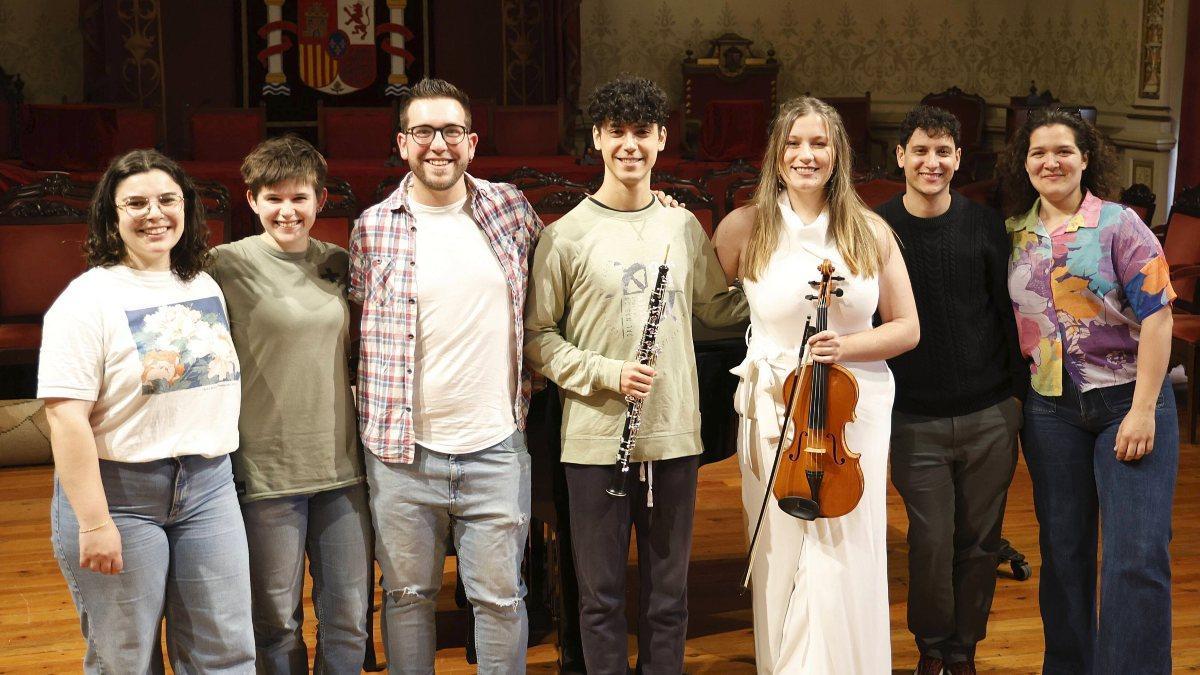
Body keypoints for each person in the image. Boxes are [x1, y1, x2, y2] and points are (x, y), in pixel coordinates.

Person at [524, 76, 748, 675]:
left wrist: (784, 290)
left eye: (642, 132)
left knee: (669, 601)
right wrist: (607, 373)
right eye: (617, 132)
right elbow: (536, 340)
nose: (630, 145)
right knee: (599, 602)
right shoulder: (563, 236)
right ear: (597, 138)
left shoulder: (681, 227)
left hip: (673, 435)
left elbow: (717, 309)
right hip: (595, 440)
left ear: (662, 139)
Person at [711, 96, 919, 674]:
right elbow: (699, 309)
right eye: (794, 143)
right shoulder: (743, 227)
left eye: (819, 143)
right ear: (776, 155)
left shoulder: (870, 230)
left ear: (838, 154)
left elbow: (907, 328)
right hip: (773, 400)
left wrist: (845, 346)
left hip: (856, 406)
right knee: (782, 545)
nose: (806, 155)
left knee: (846, 542)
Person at [349, 77, 542, 673]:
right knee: (407, 598)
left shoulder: (511, 209)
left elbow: (562, 266)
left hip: (496, 445)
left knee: (501, 600)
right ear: (403, 143)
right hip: (402, 454)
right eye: (425, 132)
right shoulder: (372, 227)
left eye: (452, 131)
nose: (440, 144)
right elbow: (358, 323)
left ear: (472, 142)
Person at [38, 149, 254, 672]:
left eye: (167, 200)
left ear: (187, 207)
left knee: (225, 651)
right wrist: (94, 523)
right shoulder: (85, 300)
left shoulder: (202, 284)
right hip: (120, 495)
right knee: (127, 657)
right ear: (112, 217)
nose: (154, 213)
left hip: (209, 487)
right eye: (135, 203)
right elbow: (64, 417)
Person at [1000, 108, 1178, 675]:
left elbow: (1158, 318)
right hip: (1051, 412)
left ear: (1085, 158)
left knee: (1136, 558)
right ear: (1024, 164)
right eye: (1038, 153)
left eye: (1063, 151)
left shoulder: (1121, 224)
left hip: (1129, 402)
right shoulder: (1013, 233)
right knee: (1065, 557)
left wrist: (1145, 409)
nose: (1051, 161)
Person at [209, 136, 372, 672]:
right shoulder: (222, 265)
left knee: (349, 618)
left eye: (299, 198)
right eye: (273, 198)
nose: (287, 210)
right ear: (252, 199)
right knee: (276, 621)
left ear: (320, 200)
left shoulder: (339, 262)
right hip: (265, 470)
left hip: (341, 468)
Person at [876, 106, 1026, 675]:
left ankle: (965, 648)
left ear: (959, 159)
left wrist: (1017, 401)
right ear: (900, 157)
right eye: (920, 151)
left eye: (943, 152)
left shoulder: (986, 226)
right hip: (915, 418)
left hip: (990, 412)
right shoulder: (876, 228)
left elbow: (1010, 320)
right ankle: (931, 645)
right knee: (931, 541)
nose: (931, 162)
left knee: (980, 541)